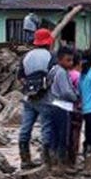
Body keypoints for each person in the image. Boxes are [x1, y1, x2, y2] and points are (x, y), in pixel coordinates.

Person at [17, 28, 54, 169]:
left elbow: (20, 77)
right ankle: (46, 160)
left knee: (25, 128)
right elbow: (54, 76)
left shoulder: (26, 56)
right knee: (46, 128)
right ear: (48, 42)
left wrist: (29, 86)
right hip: (45, 98)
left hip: (29, 98)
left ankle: (25, 160)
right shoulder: (51, 56)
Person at [43, 47, 79, 170]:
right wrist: (76, 96)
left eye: (72, 61)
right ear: (59, 60)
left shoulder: (53, 70)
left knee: (54, 134)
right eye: (68, 60)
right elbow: (66, 92)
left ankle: (52, 162)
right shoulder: (62, 72)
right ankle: (61, 164)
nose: (70, 63)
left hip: (53, 104)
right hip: (62, 106)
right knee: (63, 136)